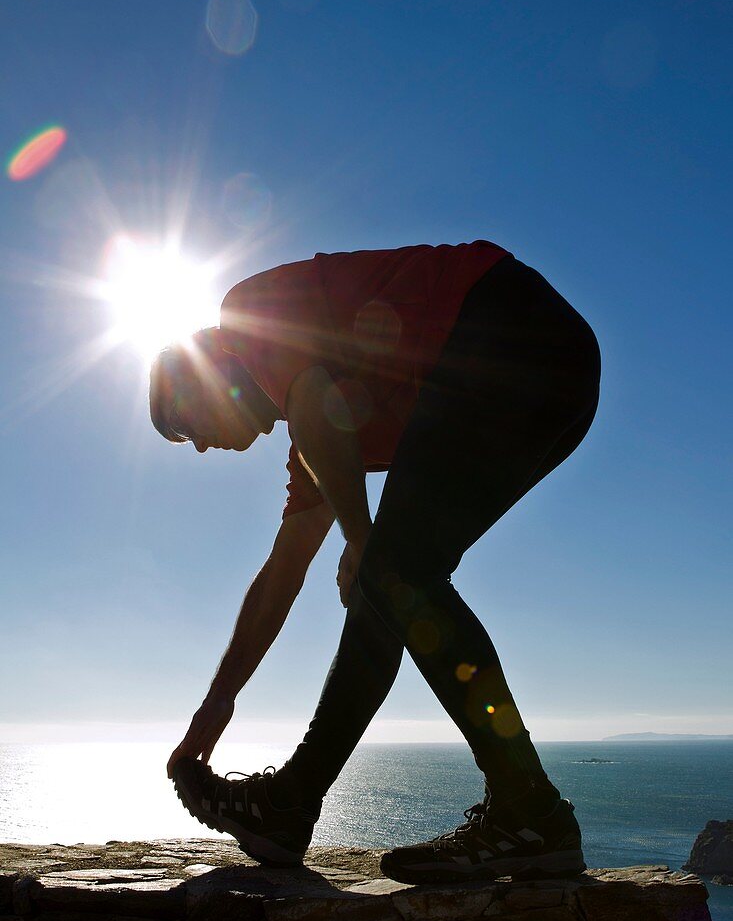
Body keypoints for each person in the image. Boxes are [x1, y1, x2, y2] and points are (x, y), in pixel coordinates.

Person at [149, 239, 601, 883]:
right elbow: (282, 575)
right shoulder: (316, 429)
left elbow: (311, 407)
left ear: (204, 373)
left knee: (391, 572)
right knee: (389, 586)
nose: (197, 448)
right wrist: (216, 704)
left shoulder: (245, 316)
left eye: (185, 424)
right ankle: (293, 803)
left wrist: (363, 544)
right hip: (551, 372)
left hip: (504, 329)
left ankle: (530, 810)